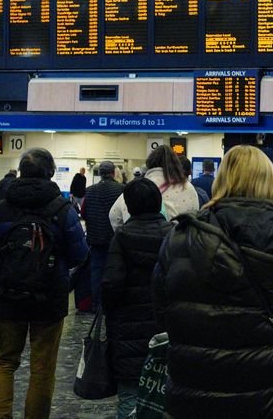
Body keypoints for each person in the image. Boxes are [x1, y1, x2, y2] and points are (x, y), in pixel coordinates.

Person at [152, 144, 273, 417]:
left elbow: (161, 314)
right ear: (270, 183)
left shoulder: (180, 236)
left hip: (194, 389)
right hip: (266, 393)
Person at [0, 148, 88, 419]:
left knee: (3, 362)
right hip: (50, 299)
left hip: (9, 296)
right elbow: (79, 255)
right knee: (42, 368)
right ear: (50, 172)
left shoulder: (3, 208)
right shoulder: (63, 208)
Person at [102, 178, 173, 419]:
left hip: (128, 329)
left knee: (130, 395)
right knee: (167, 393)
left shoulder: (122, 237)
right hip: (168, 328)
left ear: (129, 207)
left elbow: (111, 285)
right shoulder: (174, 235)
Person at [109, 145, 199, 230]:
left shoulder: (135, 187)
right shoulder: (187, 187)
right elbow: (195, 219)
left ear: (149, 164)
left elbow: (113, 215)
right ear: (176, 165)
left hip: (136, 242)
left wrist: (125, 232)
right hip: (174, 243)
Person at [82, 160, 125, 310]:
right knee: (115, 271)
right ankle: (112, 303)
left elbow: (83, 213)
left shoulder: (89, 190)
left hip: (95, 237)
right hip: (115, 238)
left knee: (96, 271)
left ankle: (96, 303)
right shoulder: (121, 189)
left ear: (100, 174)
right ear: (113, 173)